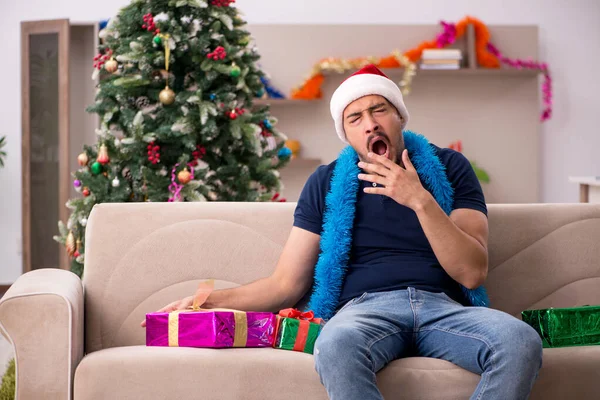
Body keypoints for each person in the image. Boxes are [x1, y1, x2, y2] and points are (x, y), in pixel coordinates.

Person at [142, 64, 543, 400]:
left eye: (379, 110)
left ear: (399, 117)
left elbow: (473, 272)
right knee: (333, 343)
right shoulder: (326, 182)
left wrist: (419, 199)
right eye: (356, 118)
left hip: (445, 308)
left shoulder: (450, 166)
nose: (370, 124)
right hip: (364, 311)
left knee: (520, 341)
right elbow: (284, 284)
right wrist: (206, 300)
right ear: (347, 135)